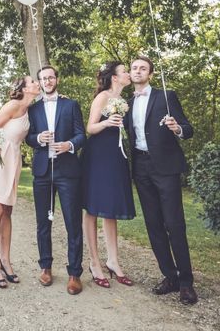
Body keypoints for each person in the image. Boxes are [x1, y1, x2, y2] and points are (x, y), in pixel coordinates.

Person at [124, 56, 197, 305]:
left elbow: (188, 129)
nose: (137, 71)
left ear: (151, 74)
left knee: (174, 224)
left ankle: (186, 282)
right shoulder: (125, 102)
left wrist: (177, 128)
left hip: (165, 167)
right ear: (130, 73)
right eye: (134, 68)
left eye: (143, 68)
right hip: (141, 168)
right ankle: (170, 276)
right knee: (153, 225)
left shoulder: (166, 95)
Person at [26, 65, 86, 295]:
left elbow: (81, 134)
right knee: (43, 223)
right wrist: (38, 138)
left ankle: (74, 273)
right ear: (39, 82)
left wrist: (69, 145)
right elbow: (28, 138)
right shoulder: (33, 109)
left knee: (73, 223)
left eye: (51, 77)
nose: (48, 81)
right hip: (42, 172)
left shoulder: (71, 105)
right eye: (43, 78)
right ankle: (46, 267)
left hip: (68, 171)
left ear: (57, 79)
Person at [0, 76, 40, 288]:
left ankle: (6, 260)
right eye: (32, 81)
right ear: (23, 88)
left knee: (8, 211)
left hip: (14, 160)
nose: (36, 83)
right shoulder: (12, 105)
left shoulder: (31, 109)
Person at [82, 61, 136, 289]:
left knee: (111, 208)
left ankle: (113, 261)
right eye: (124, 71)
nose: (128, 74)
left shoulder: (125, 101)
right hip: (98, 156)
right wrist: (107, 123)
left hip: (116, 156)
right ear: (115, 77)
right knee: (93, 208)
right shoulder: (102, 97)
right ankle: (94, 263)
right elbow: (90, 128)